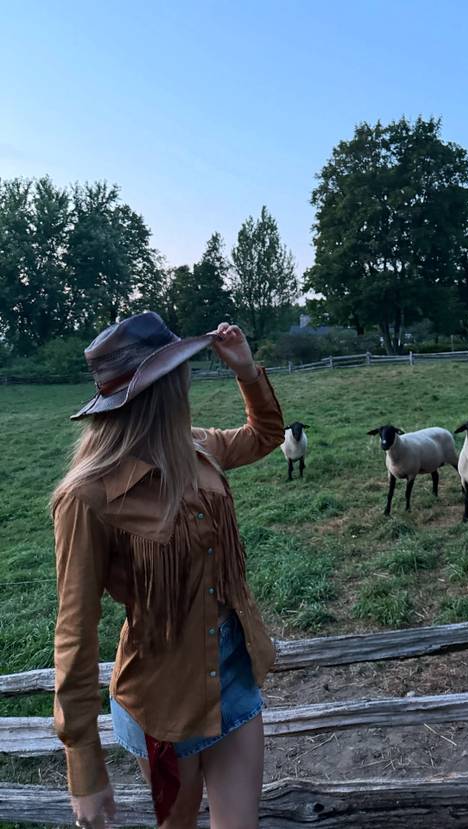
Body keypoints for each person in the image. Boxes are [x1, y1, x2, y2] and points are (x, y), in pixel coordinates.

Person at [50, 311, 285, 828]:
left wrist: (247, 371)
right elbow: (74, 631)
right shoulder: (87, 497)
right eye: (181, 370)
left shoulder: (197, 447)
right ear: (163, 389)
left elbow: (265, 435)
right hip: (161, 702)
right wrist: (83, 765)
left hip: (233, 671)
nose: (188, 380)